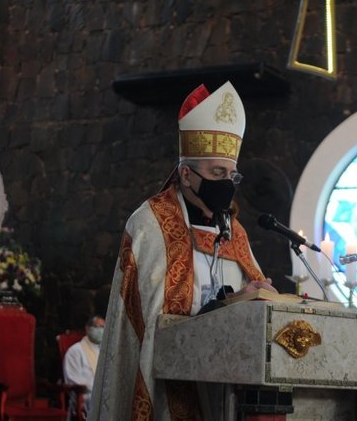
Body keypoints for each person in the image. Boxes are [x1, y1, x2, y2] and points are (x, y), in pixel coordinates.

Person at [88, 81, 276, 420]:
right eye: (217, 173)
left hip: (226, 382)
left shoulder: (234, 231)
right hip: (172, 383)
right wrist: (224, 306)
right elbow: (154, 320)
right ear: (186, 174)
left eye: (232, 175)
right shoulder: (151, 224)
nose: (225, 183)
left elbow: (255, 294)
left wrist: (260, 296)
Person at [63, 316, 105, 419]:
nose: (100, 330)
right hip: (86, 396)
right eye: (97, 326)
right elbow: (73, 380)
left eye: (103, 327)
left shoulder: (105, 352)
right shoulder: (75, 351)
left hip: (105, 393)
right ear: (88, 328)